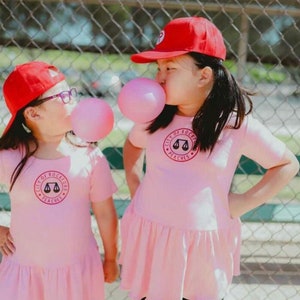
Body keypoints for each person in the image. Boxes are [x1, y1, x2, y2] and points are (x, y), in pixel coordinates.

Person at [119, 17, 299, 300]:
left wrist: (242, 203)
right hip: (154, 238)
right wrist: (134, 183)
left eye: (171, 67)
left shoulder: (233, 125)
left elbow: (287, 164)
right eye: (158, 68)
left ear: (204, 75)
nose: (160, 76)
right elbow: (132, 145)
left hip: (201, 248)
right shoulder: (153, 114)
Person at [0, 61, 119, 300]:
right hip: (25, 274)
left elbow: (105, 213)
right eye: (63, 96)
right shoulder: (10, 158)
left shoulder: (90, 156)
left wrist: (111, 257)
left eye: (71, 93)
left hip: (77, 273)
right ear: (33, 113)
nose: (72, 101)